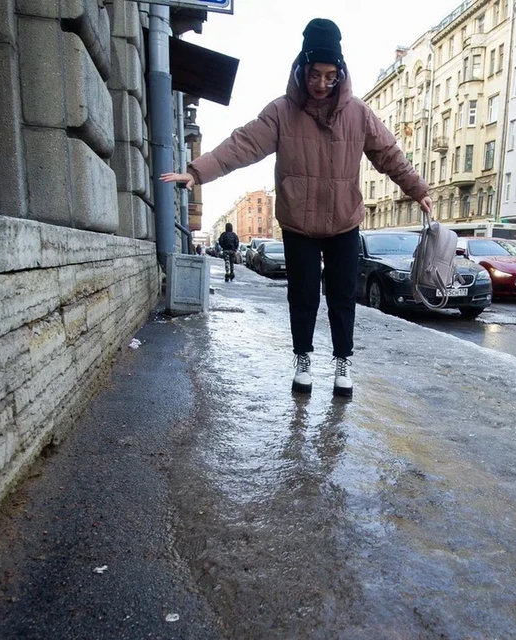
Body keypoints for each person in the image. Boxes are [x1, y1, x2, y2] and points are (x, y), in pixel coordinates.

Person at [161, 18, 432, 398]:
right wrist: (197, 172)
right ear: (302, 69)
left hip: (343, 222)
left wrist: (417, 188)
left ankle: (342, 364)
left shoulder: (358, 113)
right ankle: (303, 359)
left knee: (341, 297)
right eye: (315, 74)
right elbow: (242, 145)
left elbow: (389, 154)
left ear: (340, 74)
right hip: (298, 224)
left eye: (330, 76)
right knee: (302, 297)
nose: (322, 83)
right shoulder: (282, 112)